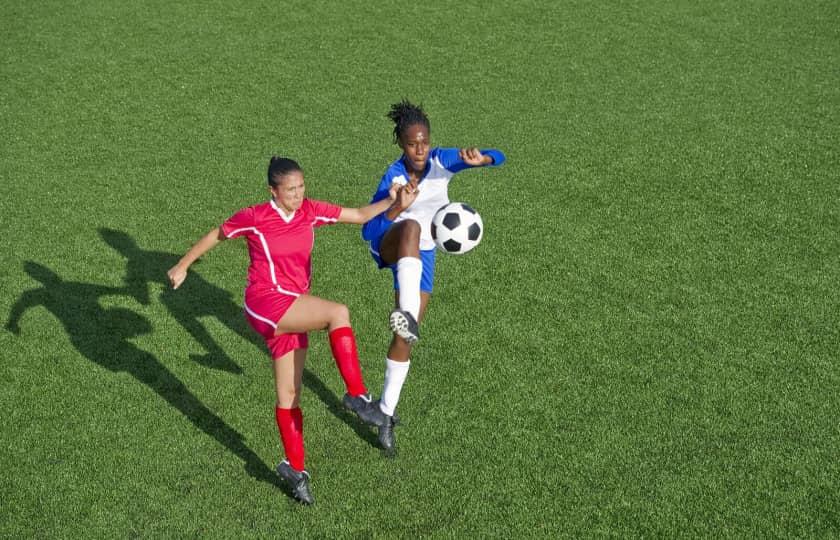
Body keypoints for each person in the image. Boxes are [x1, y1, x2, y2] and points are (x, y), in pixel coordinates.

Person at [167, 156, 400, 505]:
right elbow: (218, 233)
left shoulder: (309, 211)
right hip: (264, 302)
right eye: (290, 189)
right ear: (273, 191)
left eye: (302, 186)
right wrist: (183, 265)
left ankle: (296, 470)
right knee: (338, 313)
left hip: (292, 308)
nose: (298, 193)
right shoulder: (256, 217)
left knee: (289, 395)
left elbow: (358, 215)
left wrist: (392, 201)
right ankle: (357, 396)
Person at [361, 100, 506, 455]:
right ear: (401, 144)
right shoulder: (394, 176)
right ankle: (406, 313)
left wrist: (482, 159)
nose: (420, 149)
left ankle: (384, 412)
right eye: (412, 143)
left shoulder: (442, 161)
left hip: (423, 257)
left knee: (404, 338)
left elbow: (499, 155)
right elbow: (368, 230)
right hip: (392, 244)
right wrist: (397, 206)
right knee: (410, 225)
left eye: (424, 141)